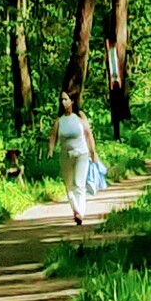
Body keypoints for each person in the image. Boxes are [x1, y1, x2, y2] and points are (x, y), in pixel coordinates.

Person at [55, 90, 96, 227]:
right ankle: (75, 209)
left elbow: (89, 134)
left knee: (79, 184)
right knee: (69, 185)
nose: (63, 102)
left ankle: (80, 212)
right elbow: (52, 136)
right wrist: (50, 150)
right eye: (61, 100)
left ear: (72, 101)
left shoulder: (80, 117)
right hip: (65, 156)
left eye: (65, 99)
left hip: (81, 154)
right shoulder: (59, 120)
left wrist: (93, 152)